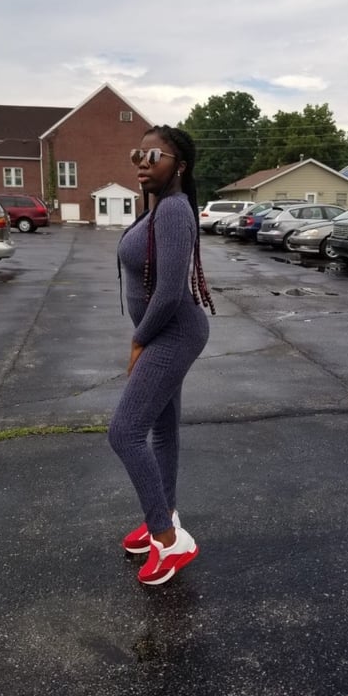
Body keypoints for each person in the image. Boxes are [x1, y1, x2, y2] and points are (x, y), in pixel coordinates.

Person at [108, 125, 215, 586]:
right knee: (162, 429)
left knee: (125, 431)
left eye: (154, 156)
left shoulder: (173, 210)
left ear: (180, 167)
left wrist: (140, 340)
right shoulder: (156, 208)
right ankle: (164, 512)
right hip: (163, 332)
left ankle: (170, 540)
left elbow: (170, 292)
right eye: (139, 154)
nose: (142, 162)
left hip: (174, 333)